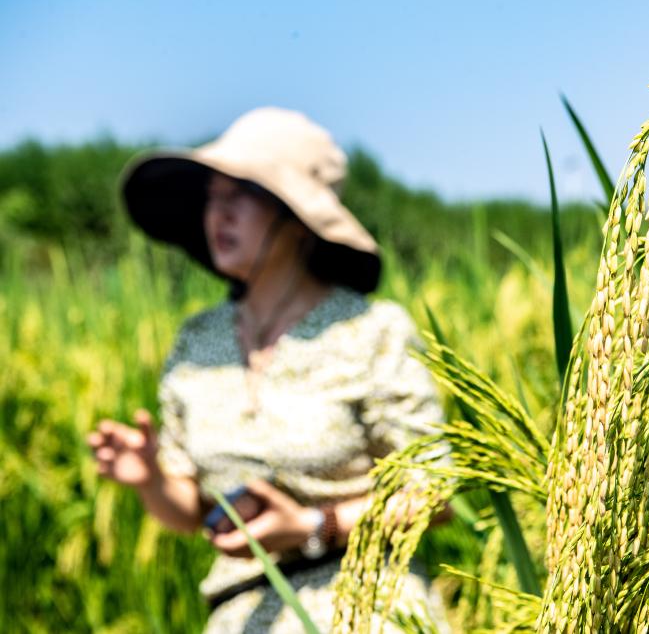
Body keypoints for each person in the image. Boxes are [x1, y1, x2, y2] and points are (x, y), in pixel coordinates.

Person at [87, 107, 446, 632]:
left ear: (298, 219)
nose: (219, 213)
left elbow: (433, 489)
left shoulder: (371, 330)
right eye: (212, 197)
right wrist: (150, 480)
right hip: (242, 611)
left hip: (364, 603)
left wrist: (311, 527)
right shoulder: (197, 340)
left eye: (242, 195)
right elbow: (189, 509)